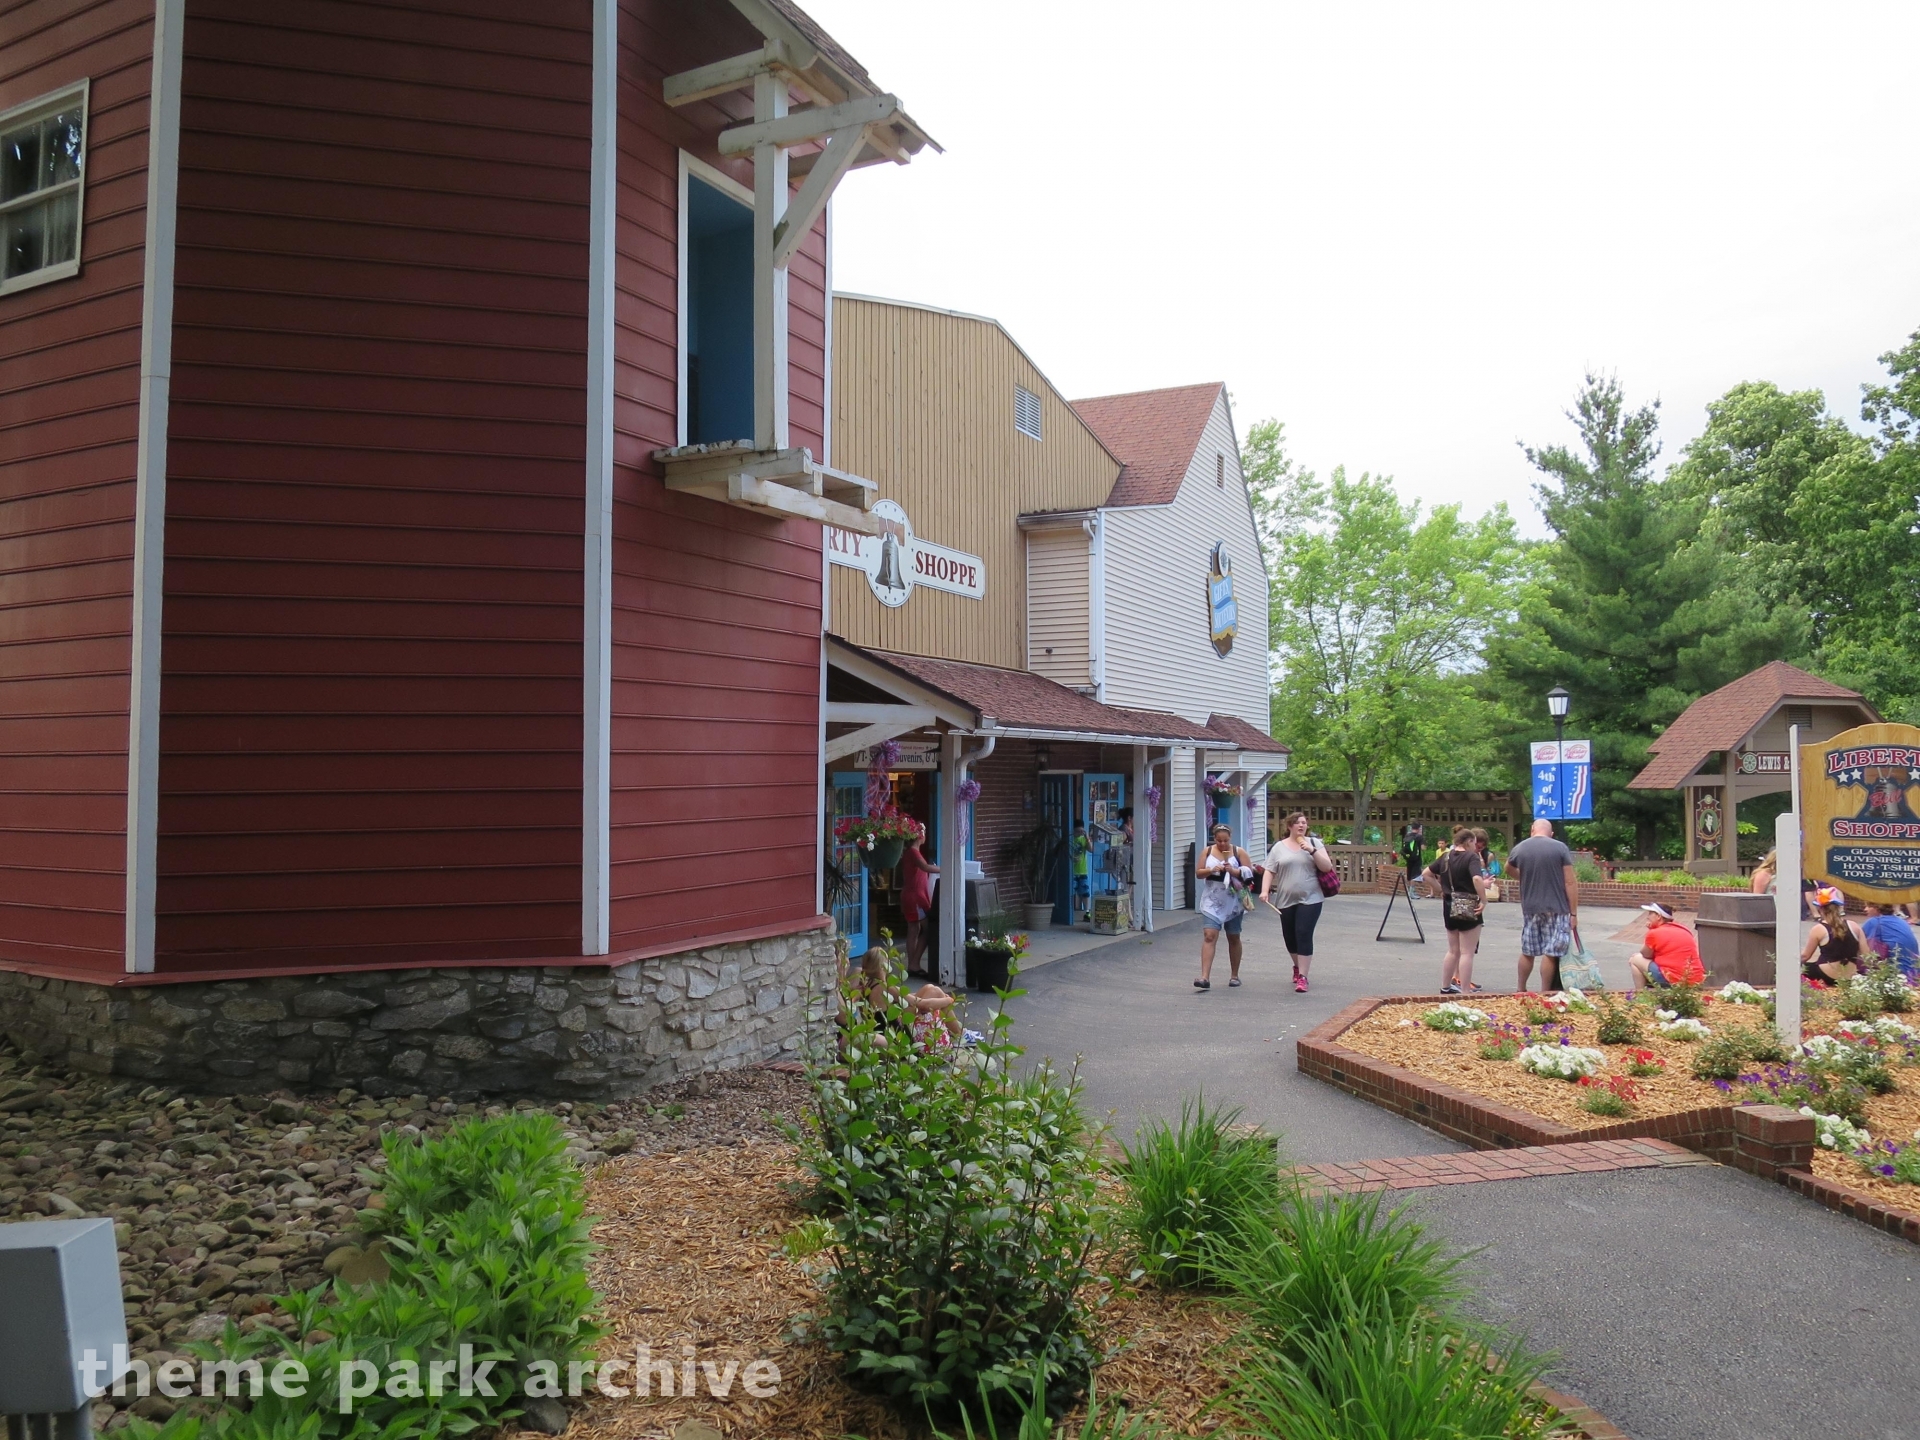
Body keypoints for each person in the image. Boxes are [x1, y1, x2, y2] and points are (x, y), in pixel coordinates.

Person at [1261, 811, 1336, 993]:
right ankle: (1297, 966)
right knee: (1290, 937)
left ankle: (1303, 976)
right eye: (1297, 823)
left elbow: (1327, 867)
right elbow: (1269, 870)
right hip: (1286, 899)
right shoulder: (1279, 847)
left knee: (1303, 933)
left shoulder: (1314, 843)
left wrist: (1311, 851)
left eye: (1304, 823)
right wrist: (1264, 891)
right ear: (1290, 826)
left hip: (1311, 898)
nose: (1301, 825)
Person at [1507, 819, 1578, 992]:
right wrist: (1574, 913)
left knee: (1528, 951)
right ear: (1551, 833)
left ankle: (1520, 989)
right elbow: (1570, 882)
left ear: (1532, 830)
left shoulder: (1520, 848)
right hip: (1557, 907)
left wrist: (1524, 876)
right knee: (1551, 952)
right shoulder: (1560, 848)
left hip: (1530, 907)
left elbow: (1507, 868)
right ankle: (1545, 991)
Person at [1425, 826, 1488, 994]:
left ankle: (1445, 986)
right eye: (1474, 843)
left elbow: (1426, 874)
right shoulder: (1471, 857)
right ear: (1469, 841)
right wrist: (1484, 899)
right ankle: (1465, 990)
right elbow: (1476, 878)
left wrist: (1440, 889)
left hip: (1449, 904)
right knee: (1467, 952)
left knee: (1453, 950)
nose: (1475, 847)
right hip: (1468, 905)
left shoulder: (1445, 857)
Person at [1196, 823, 1257, 989]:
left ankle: (1234, 975)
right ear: (1214, 839)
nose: (1222, 844)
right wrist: (1211, 870)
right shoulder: (1207, 851)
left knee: (1233, 936)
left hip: (1233, 899)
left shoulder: (1239, 852)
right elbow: (1198, 872)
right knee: (1209, 935)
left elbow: (1250, 874)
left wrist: (1234, 871)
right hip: (1212, 899)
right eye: (1219, 840)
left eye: (1225, 840)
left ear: (1230, 838)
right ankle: (1204, 977)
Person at [1628, 903, 1704, 989]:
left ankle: (1641, 994)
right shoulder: (1684, 930)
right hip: (1695, 980)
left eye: (1650, 913)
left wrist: (1651, 930)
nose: (1647, 917)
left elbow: (1645, 954)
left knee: (1635, 959)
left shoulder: (1654, 933)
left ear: (1658, 916)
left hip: (1674, 979)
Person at [1801, 886, 1865, 985]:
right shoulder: (1854, 926)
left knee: (1806, 969)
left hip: (1826, 974)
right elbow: (1866, 954)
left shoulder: (1818, 929)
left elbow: (1805, 956)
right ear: (1838, 907)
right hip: (1850, 976)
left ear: (1820, 909)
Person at [898, 834, 939, 977]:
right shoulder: (914, 852)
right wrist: (946, 869)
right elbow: (925, 867)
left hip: (911, 895)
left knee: (914, 930)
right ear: (920, 836)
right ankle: (914, 963)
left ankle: (912, 964)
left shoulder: (910, 852)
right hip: (916, 898)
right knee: (927, 930)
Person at [1861, 901, 1920, 980]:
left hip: (1897, 973)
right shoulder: (1901, 921)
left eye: (1869, 906)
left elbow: (1858, 942)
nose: (1865, 909)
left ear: (1878, 908)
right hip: (1915, 971)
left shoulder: (1874, 922)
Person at [1070, 822, 1092, 921]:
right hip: (1072, 871)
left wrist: (1087, 837)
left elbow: (1091, 849)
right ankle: (1070, 912)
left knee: (1085, 893)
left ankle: (1087, 912)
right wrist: (1071, 858)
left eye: (1081, 831)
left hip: (1082, 870)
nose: (1079, 833)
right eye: (1077, 831)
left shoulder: (1083, 839)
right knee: (1071, 892)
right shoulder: (1070, 840)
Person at [1400, 821, 1426, 889]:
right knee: (1415, 876)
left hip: (1408, 858)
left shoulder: (1407, 836)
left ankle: (1408, 890)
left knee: (1409, 875)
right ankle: (1412, 891)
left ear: (1411, 828)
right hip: (1416, 859)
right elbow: (1423, 848)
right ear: (1419, 828)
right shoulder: (1419, 837)